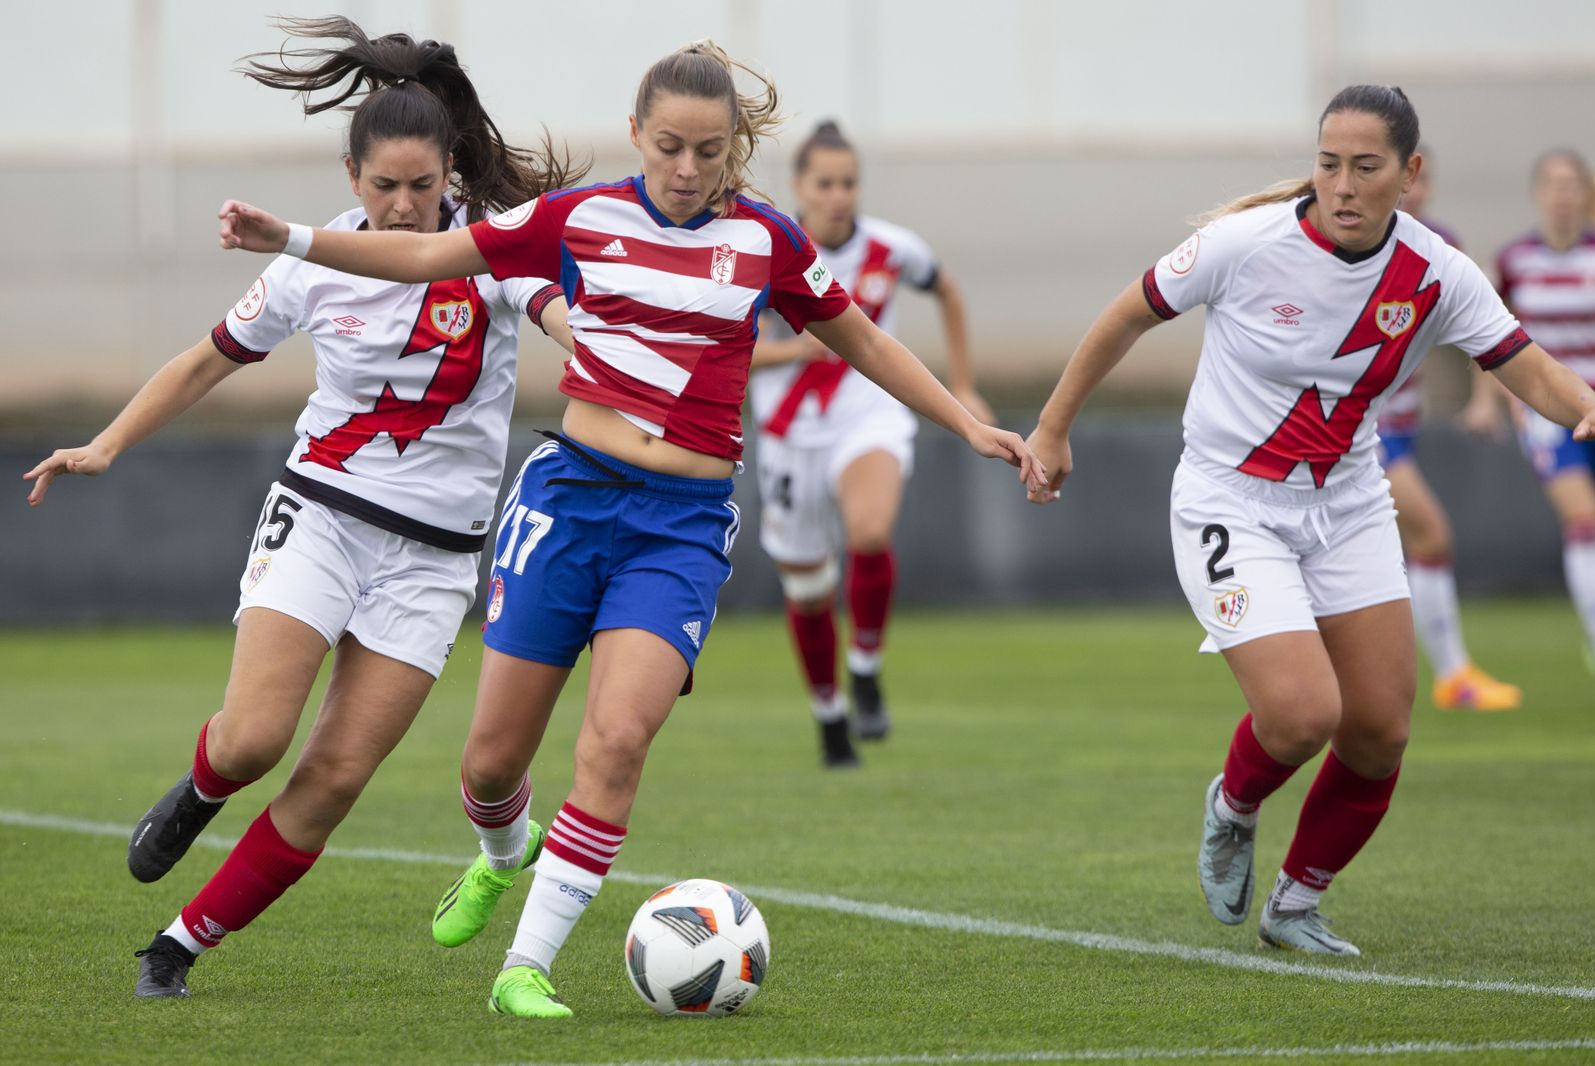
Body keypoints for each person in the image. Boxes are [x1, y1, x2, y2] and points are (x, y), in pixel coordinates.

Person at [215, 40, 1045, 1018]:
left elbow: (861, 337)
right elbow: (430, 251)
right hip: (568, 500)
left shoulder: (768, 242)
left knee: (615, 742)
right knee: (489, 764)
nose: (687, 171)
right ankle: (497, 849)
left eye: (708, 151)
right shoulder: (579, 218)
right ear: (635, 137)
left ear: (734, 147)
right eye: (668, 148)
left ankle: (524, 966)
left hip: (681, 526)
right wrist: (294, 238)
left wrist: (967, 420)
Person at [23, 17, 581, 998]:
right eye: (384, 188)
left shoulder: (493, 251)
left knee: (330, 782)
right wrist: (107, 442)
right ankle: (203, 787)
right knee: (253, 740)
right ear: (351, 177)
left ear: (452, 169)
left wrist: (607, 356)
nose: (406, 208)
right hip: (321, 514)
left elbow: (560, 319)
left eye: (423, 186)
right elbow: (207, 359)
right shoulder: (309, 262)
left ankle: (179, 944)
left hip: (436, 558)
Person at [1025, 86, 1595, 956]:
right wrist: (1053, 427)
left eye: (1365, 168)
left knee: (1380, 729)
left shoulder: (1436, 269)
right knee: (1301, 716)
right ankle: (1233, 805)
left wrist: (1588, 408)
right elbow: (1127, 315)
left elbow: (1523, 364)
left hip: (1350, 502)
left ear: (1408, 174)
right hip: (1229, 501)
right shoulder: (1246, 244)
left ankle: (1296, 902)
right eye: (1329, 164)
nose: (1341, 184)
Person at [748, 120, 992, 767]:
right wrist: (792, 350)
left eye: (848, 183)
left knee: (871, 532)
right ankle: (829, 715)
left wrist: (963, 385)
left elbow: (947, 290)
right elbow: (729, 350)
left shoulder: (891, 248)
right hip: (788, 437)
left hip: (867, 417)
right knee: (808, 592)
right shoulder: (768, 254)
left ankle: (866, 665)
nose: (837, 195)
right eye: (824, 183)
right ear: (798, 187)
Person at [1375, 147, 1521, 710]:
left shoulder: (1440, 247)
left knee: (1405, 545)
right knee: (1430, 534)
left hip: (1401, 428)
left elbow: (1486, 332)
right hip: (1363, 433)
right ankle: (1453, 677)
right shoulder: (1355, 241)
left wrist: (1486, 398)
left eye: (1423, 176)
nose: (1415, 189)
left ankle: (1439, 676)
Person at [1491, 148, 1595, 674]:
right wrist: (1498, 401)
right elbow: (1491, 338)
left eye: (1572, 184)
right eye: (1552, 184)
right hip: (1551, 417)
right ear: (1538, 193)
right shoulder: (1515, 261)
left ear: (1586, 194)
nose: (1562, 195)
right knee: (1584, 522)